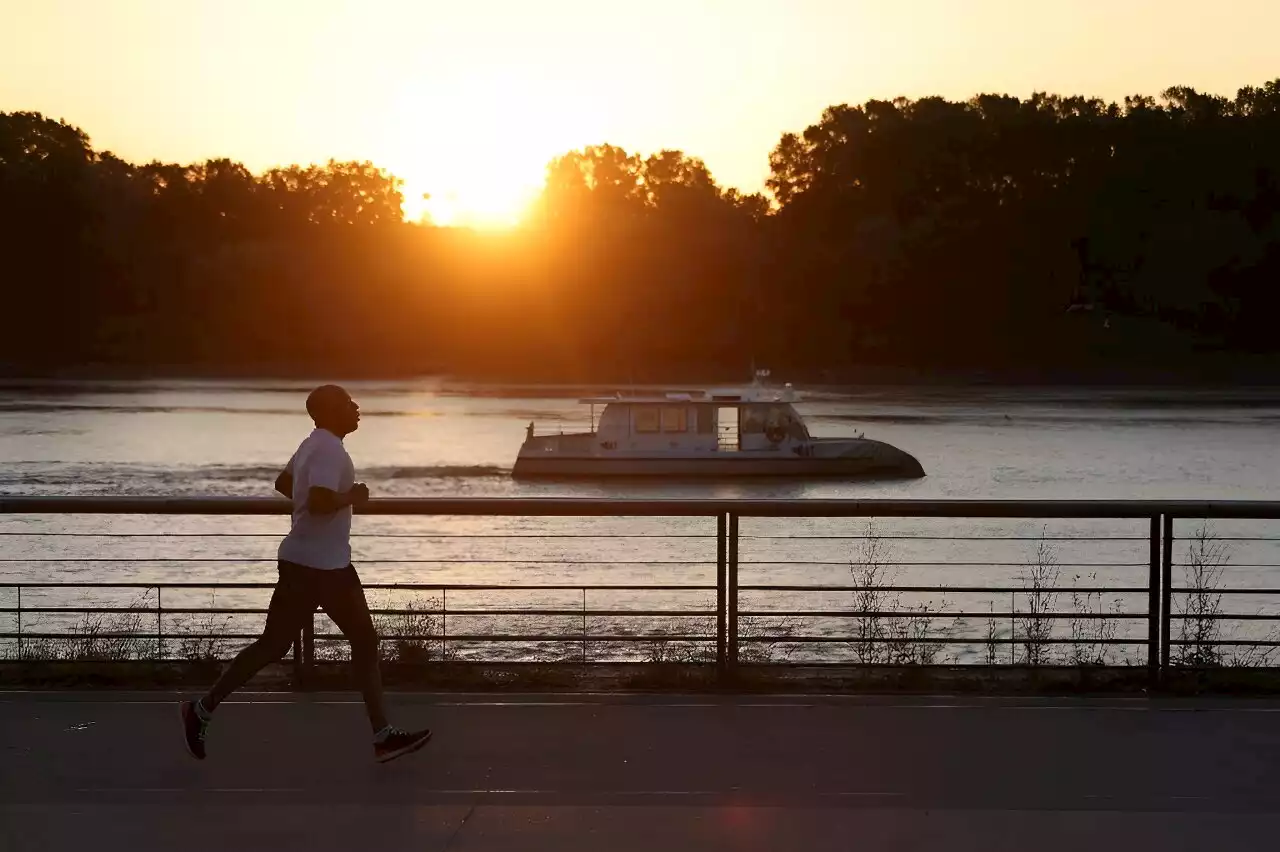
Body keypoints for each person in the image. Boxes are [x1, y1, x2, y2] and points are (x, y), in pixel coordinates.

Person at [180, 384, 431, 763]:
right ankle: (382, 736)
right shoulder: (329, 448)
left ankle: (202, 708)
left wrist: (314, 503)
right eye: (349, 403)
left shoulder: (312, 443)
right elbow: (317, 502)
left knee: (273, 645)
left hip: (302, 560)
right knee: (363, 642)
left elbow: (285, 484)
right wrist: (353, 497)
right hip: (325, 567)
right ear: (332, 412)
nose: (357, 407)